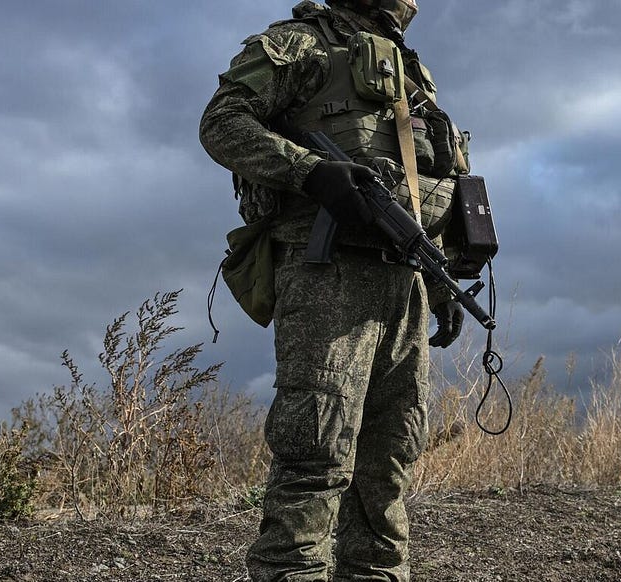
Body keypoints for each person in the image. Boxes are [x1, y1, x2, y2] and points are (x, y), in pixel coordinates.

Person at [199, 0, 470, 579]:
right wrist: (311, 172)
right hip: (327, 272)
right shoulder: (301, 43)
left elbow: (424, 185)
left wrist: (441, 284)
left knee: (390, 456)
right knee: (315, 448)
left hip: (405, 277)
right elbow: (222, 123)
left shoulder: (411, 73)